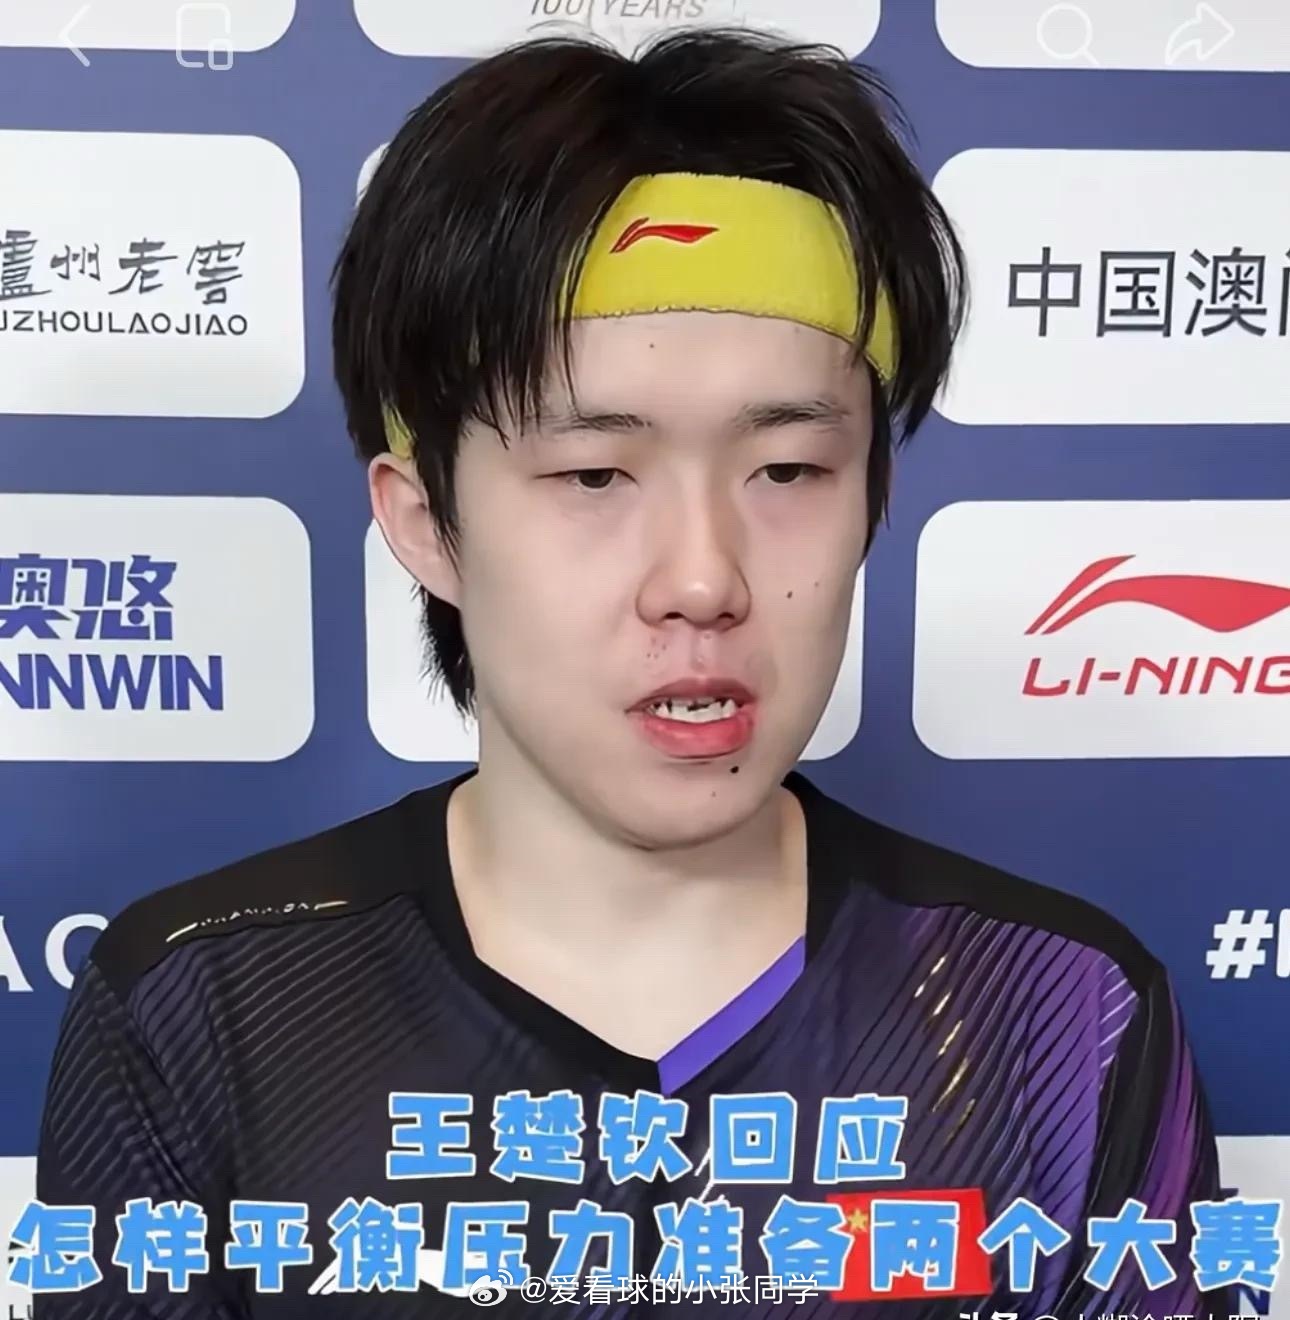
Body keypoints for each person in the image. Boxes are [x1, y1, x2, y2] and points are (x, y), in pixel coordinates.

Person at [34, 26, 1230, 1319]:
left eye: (788, 470)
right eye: (594, 474)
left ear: (873, 502)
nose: (703, 579)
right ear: (425, 522)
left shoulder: (1062, 1015)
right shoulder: (200, 1006)